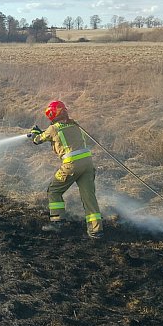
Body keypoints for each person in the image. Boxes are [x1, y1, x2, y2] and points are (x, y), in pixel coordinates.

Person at [30, 100, 103, 239]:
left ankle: (57, 222)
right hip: (87, 163)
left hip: (71, 164)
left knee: (54, 190)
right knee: (89, 197)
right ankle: (96, 230)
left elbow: (37, 140)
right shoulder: (75, 125)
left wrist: (35, 133)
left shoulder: (54, 128)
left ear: (52, 115)